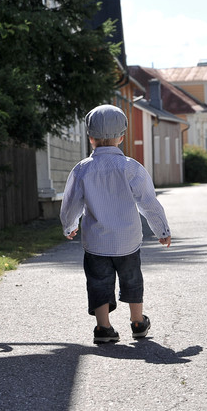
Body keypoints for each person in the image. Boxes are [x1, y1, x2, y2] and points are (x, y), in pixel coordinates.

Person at [60, 104, 172, 344]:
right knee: (132, 279)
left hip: (96, 241)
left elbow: (71, 202)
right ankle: (138, 321)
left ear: (90, 137)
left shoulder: (82, 169)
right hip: (127, 240)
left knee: (98, 282)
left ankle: (103, 327)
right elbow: (148, 201)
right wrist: (161, 229)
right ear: (121, 137)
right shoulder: (131, 167)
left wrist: (69, 225)